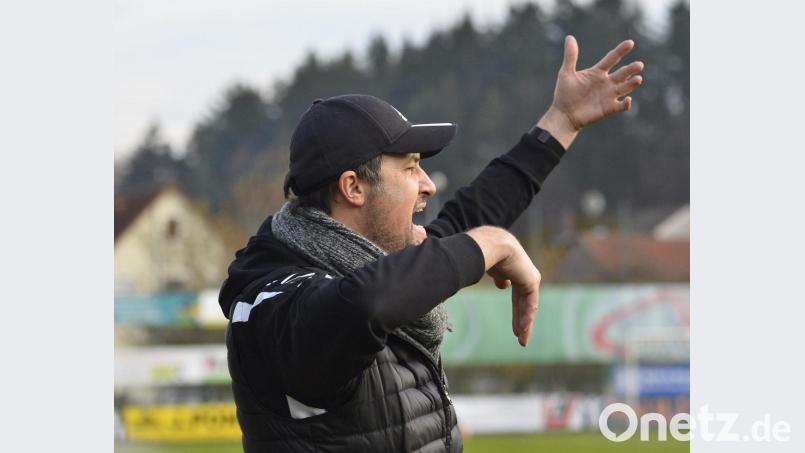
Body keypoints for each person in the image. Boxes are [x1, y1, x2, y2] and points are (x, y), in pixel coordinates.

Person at [219, 36, 644, 452]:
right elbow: (362, 305)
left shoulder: (367, 263)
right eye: (410, 169)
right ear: (353, 187)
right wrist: (488, 245)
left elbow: (466, 220)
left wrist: (561, 122)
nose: (427, 186)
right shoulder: (271, 298)